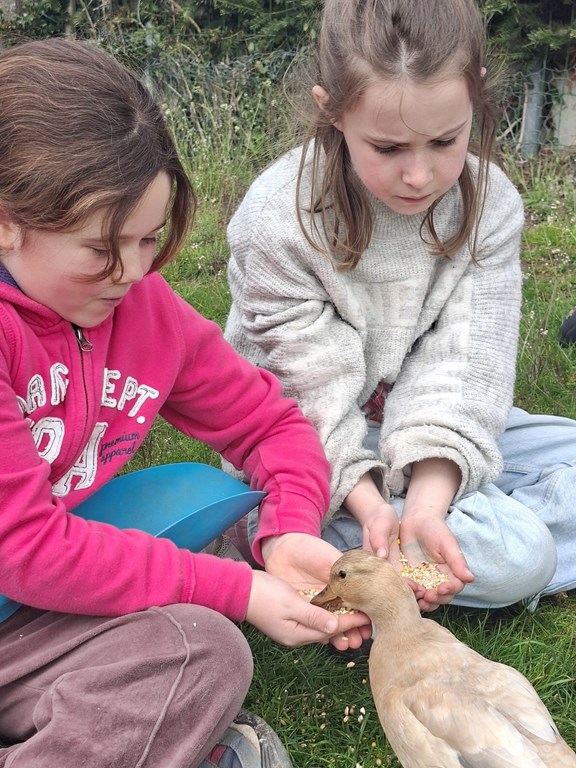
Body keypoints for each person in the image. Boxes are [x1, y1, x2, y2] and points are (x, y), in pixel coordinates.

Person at [0, 38, 371, 768]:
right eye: (102, 248)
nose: (132, 272)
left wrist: (286, 532)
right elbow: (25, 549)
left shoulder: (142, 305)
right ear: (7, 221)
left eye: (149, 238)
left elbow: (271, 425)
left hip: (28, 618)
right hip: (24, 573)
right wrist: (234, 587)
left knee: (201, 652)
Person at [224, 0, 576, 616]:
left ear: (475, 98)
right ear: (333, 111)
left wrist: (427, 504)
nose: (419, 174)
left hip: (432, 431)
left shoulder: (491, 205)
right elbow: (305, 404)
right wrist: (371, 506)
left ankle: (413, 543)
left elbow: (465, 371)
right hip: (316, 450)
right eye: (387, 147)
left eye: (444, 140)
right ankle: (301, 535)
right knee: (522, 556)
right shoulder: (278, 221)